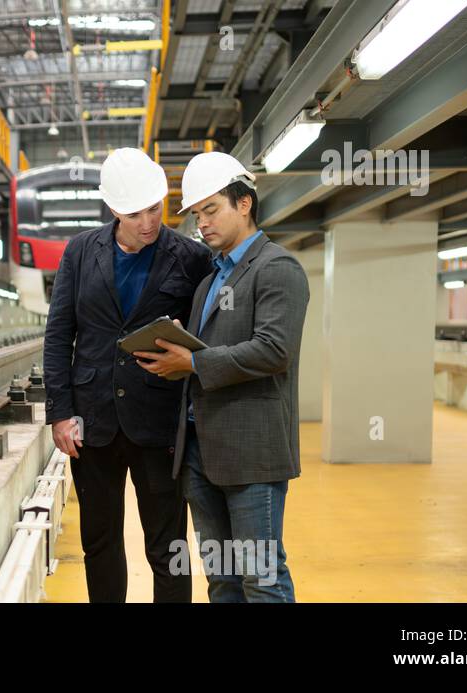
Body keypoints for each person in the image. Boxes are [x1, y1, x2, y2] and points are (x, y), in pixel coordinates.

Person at [133, 151, 308, 603]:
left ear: (244, 203)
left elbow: (274, 350)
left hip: (252, 453)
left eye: (211, 209)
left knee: (262, 579)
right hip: (201, 451)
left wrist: (192, 362)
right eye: (196, 214)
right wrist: (173, 348)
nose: (203, 223)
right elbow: (210, 348)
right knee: (223, 580)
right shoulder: (210, 282)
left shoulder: (277, 268)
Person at [43, 148, 212, 603]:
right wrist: (60, 413)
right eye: (135, 213)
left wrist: (189, 336)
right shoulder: (80, 252)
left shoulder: (191, 258)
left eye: (155, 208)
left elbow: (209, 329)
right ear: (113, 210)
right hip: (91, 422)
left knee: (167, 546)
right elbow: (59, 334)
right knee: (99, 543)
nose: (148, 222)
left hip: (157, 421)